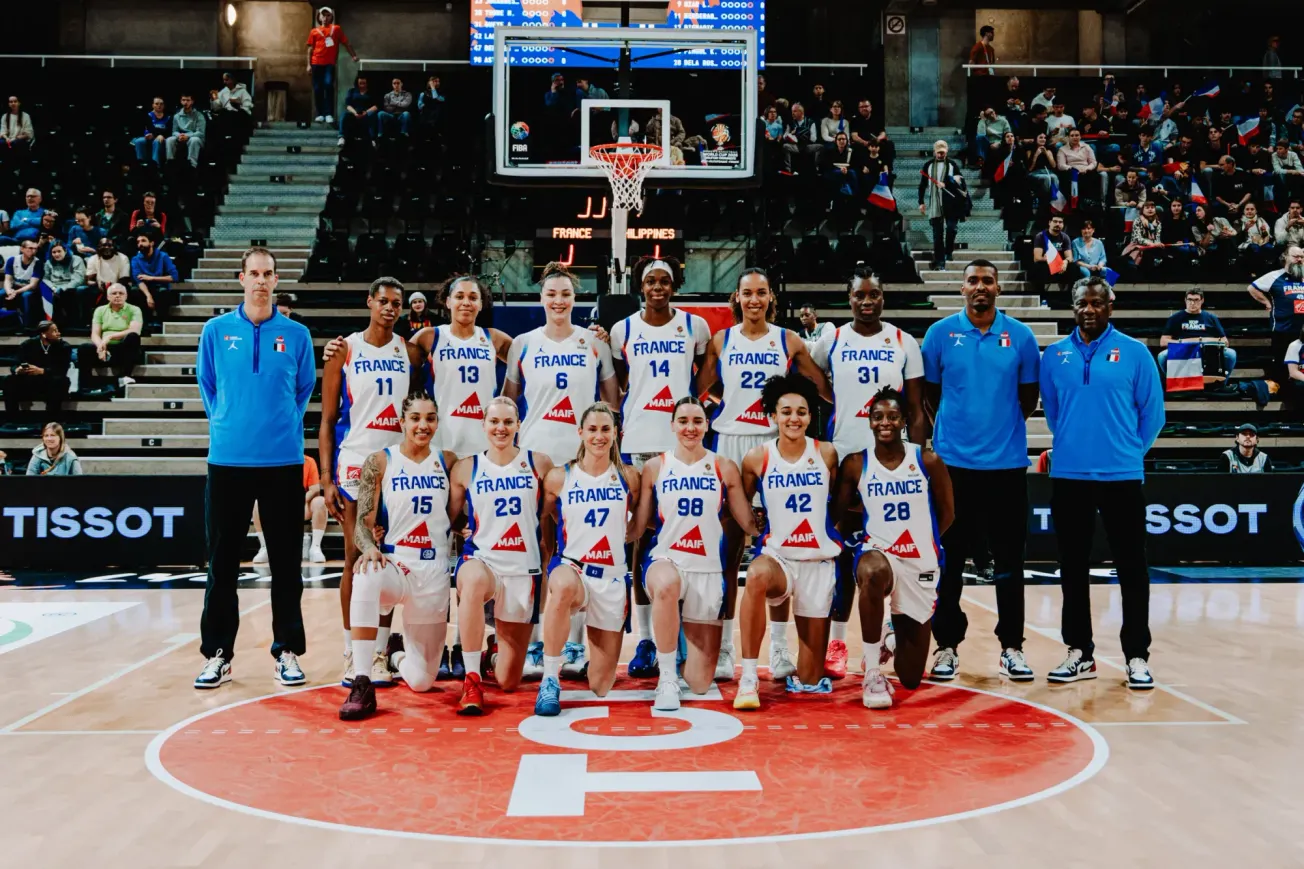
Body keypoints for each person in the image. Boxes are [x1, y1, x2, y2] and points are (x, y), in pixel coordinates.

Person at [193, 248, 317, 690]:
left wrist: (278, 424)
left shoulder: (297, 334)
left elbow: (303, 388)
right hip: (228, 460)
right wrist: (230, 421)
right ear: (241, 278)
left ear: (276, 280)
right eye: (254, 274)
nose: (261, 281)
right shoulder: (215, 330)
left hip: (283, 460)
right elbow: (208, 386)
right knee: (222, 563)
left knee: (286, 563)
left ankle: (287, 651)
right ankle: (218, 655)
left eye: (268, 274)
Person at [697, 269, 828, 681]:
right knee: (729, 551)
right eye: (747, 293)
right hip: (731, 443)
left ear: (771, 297)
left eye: (761, 293)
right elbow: (694, 387)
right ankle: (723, 648)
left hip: (774, 445)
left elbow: (822, 387)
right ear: (737, 297)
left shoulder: (788, 339)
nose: (754, 300)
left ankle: (778, 648)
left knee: (778, 551)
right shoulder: (722, 340)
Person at [1040, 277, 1164, 690]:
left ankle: (1137, 656)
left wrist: (1127, 451)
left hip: (1122, 477)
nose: (1088, 310)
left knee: (1132, 567)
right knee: (1072, 568)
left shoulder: (1135, 353)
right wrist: (1079, 448)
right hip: (1070, 476)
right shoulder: (1054, 355)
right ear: (1072, 307)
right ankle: (1079, 652)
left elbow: (1153, 415)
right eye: (1081, 304)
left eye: (1096, 303)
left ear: (1110, 306)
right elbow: (1055, 414)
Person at [921, 260, 1040, 682]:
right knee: (950, 563)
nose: (980, 288)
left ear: (998, 287)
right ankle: (947, 647)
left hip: (1006, 468)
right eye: (972, 281)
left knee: (1010, 562)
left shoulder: (1022, 338)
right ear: (962, 288)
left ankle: (1012, 648)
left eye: (987, 281)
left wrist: (996, 432)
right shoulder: (939, 335)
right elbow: (930, 397)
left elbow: (1028, 400)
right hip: (954, 469)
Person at [502, 263, 619, 676]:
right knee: (537, 548)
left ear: (575, 299)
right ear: (541, 298)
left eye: (565, 294)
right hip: (535, 458)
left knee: (579, 549)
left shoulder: (594, 344)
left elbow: (611, 406)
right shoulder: (523, 344)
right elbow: (508, 406)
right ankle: (536, 641)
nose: (558, 300)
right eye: (551, 293)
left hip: (580, 462)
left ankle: (573, 644)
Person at [809, 269, 927, 676]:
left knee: (891, 549)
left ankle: (890, 631)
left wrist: (919, 453)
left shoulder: (903, 341)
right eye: (860, 294)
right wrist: (833, 396)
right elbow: (809, 371)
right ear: (849, 298)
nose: (867, 301)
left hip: (892, 459)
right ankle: (839, 642)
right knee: (840, 551)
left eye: (874, 294)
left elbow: (915, 406)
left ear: (883, 297)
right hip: (846, 456)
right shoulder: (833, 339)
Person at [604, 256, 711, 678]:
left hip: (680, 447)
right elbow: (620, 380)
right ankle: (647, 638)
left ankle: (681, 634)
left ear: (674, 286)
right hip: (636, 446)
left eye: (665, 281)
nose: (658, 287)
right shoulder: (622, 330)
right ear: (640, 286)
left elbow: (705, 374)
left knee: (681, 538)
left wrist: (690, 405)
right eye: (651, 281)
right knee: (639, 544)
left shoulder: (695, 327)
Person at [319, 277, 426, 687]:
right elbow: (327, 420)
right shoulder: (343, 350)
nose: (389, 308)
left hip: (396, 465)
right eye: (383, 301)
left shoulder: (410, 352)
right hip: (354, 462)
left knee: (389, 560)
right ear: (369, 302)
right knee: (355, 556)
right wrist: (326, 478)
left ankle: (380, 649)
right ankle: (352, 650)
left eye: (396, 303)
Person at [621, 397, 758, 711]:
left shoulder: (724, 466)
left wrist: (775, 526)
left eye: (697, 421)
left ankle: (680, 647)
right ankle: (666, 677)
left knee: (698, 682)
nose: (690, 428)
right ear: (672, 426)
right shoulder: (655, 467)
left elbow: (747, 523)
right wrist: (603, 533)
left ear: (707, 425)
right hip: (665, 559)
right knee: (666, 584)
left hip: (707, 569)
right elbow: (639, 528)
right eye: (683, 421)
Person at [338, 394, 460, 720]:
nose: (423, 425)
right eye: (416, 418)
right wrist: (369, 547)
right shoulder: (380, 461)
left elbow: (461, 519)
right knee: (365, 573)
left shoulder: (449, 461)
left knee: (422, 682)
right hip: (396, 563)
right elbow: (362, 526)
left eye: (430, 418)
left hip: (433, 571)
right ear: (401, 422)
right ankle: (362, 680)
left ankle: (395, 657)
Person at [832, 387, 954, 709]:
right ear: (869, 422)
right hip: (879, 553)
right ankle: (872, 670)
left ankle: (890, 634)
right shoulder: (856, 464)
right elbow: (838, 513)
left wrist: (922, 541)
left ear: (904, 421)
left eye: (892, 416)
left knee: (911, 676)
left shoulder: (927, 459)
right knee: (871, 572)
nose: (885, 422)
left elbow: (947, 513)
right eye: (878, 417)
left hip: (921, 564)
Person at [445, 397, 556, 715]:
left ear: (519, 425)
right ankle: (471, 679)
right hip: (484, 560)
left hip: (524, 569)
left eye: (508, 422)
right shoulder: (467, 467)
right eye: (494, 422)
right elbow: (450, 518)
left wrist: (549, 559)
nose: (501, 428)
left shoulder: (540, 463)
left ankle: (492, 653)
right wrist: (462, 529)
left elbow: (548, 516)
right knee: (473, 578)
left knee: (509, 680)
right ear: (483, 425)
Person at [533, 403, 644, 715]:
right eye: (592, 429)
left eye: (605, 429)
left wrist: (626, 533)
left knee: (601, 685)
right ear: (580, 433)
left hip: (612, 577)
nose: (599, 436)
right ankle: (550, 678)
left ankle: (572, 652)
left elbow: (646, 521)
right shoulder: (559, 477)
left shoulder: (628, 477)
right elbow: (540, 517)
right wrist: (548, 552)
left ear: (615, 434)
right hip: (573, 568)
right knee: (563, 586)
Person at [733, 377, 838, 708]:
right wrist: (752, 523)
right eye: (787, 412)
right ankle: (749, 677)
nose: (794, 418)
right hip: (780, 560)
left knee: (809, 679)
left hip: (818, 563)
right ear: (773, 415)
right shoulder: (756, 457)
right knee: (757, 574)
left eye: (802, 412)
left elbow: (838, 503)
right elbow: (739, 503)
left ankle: (804, 665)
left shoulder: (827, 453)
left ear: (810, 416)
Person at [252, 455, 329, 564]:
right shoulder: (272, 460)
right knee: (257, 503)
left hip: (301, 505)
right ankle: (264, 547)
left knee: (320, 501)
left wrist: (298, 501)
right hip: (277, 505)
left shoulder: (308, 461)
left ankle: (315, 547)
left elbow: (315, 489)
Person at [1247, 244, 1304, 383]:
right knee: (1281, 361)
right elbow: (1252, 288)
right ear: (1286, 257)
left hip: (1303, 329)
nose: (1299, 259)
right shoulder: (1274, 276)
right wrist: (1266, 302)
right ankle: (1281, 389)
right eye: (1295, 256)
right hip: (1283, 327)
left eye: (1302, 257)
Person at [1157, 288, 1235, 380]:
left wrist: (1202, 341)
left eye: (1196, 300)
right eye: (1190, 300)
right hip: (1183, 349)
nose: (1192, 303)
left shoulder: (1211, 318)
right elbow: (1163, 341)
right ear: (1185, 300)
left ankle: (1221, 385)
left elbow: (1225, 342)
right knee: (1162, 356)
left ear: (1202, 301)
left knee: (1231, 354)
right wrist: (1189, 341)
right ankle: (1174, 384)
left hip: (1208, 350)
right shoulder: (1175, 318)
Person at [77, 283, 141, 392]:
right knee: (84, 348)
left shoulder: (134, 310)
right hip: (104, 349)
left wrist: (110, 337)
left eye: (121, 293)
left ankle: (125, 376)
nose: (117, 296)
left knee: (133, 337)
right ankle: (85, 385)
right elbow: (95, 334)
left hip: (123, 350)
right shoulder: (100, 310)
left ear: (126, 296)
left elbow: (135, 330)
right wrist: (101, 347)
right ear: (107, 297)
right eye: (114, 293)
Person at [917, 140, 968, 270]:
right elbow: (922, 185)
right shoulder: (928, 165)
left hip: (951, 202)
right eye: (938, 152)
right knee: (937, 234)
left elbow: (961, 183)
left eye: (943, 152)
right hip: (935, 202)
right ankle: (940, 262)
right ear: (934, 152)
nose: (941, 155)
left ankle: (948, 251)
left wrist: (947, 184)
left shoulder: (952, 165)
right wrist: (921, 202)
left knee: (952, 228)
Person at [3, 321, 72, 414]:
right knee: (9, 380)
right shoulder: (28, 345)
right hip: (30, 380)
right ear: (44, 334)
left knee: (60, 381)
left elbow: (62, 370)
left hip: (51, 380)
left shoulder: (64, 347)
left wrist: (42, 371)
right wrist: (17, 370)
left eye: (58, 330)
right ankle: (12, 419)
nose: (58, 333)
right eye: (54, 331)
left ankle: (52, 418)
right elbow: (15, 364)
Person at [307, 6, 358, 125]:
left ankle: (329, 113)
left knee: (328, 85)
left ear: (331, 17)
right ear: (319, 17)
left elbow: (346, 43)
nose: (325, 18)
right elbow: (310, 49)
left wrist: (353, 55)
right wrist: (308, 64)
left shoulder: (336, 29)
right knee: (318, 88)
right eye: (323, 15)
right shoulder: (314, 31)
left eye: (328, 15)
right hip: (316, 63)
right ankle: (320, 114)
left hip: (329, 63)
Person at [130, 232, 178, 327]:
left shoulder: (163, 256)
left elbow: (174, 277)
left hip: (159, 287)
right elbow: (139, 280)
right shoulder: (135, 259)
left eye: (143, 241)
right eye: (138, 242)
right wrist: (148, 296)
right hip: (144, 288)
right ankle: (143, 323)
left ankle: (160, 323)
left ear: (151, 243)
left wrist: (151, 278)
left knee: (163, 292)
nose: (140, 244)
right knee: (134, 291)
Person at [3, 239, 52, 328]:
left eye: (35, 249)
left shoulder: (38, 263)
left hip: (30, 289)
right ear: (22, 249)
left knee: (26, 296)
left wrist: (15, 292)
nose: (33, 251)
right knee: (1, 293)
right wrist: (9, 291)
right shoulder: (12, 260)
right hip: (14, 287)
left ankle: (26, 326)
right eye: (30, 248)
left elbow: (33, 285)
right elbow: (7, 280)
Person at [43, 243, 86, 326]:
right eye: (54, 252)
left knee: (74, 292)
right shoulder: (48, 262)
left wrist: (63, 288)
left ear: (65, 251)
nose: (56, 254)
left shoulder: (76, 259)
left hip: (72, 286)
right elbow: (45, 278)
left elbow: (79, 279)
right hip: (54, 287)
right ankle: (54, 325)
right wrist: (53, 287)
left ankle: (76, 323)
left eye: (59, 251)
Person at [1031, 214, 1074, 295]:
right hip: (1046, 265)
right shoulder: (1040, 236)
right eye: (1055, 221)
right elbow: (1037, 258)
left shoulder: (1065, 237)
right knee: (1037, 268)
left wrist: (1065, 261)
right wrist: (1050, 260)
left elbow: (1070, 257)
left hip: (1061, 266)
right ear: (1049, 222)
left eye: (1060, 222)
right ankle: (1041, 296)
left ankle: (1068, 297)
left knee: (1074, 268)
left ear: (1063, 225)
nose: (1058, 224)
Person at [166, 93, 206, 169]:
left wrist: (187, 136)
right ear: (181, 101)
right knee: (169, 139)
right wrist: (179, 136)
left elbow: (200, 133)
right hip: (181, 137)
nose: (185, 102)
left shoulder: (199, 115)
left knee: (194, 140)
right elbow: (174, 131)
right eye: (183, 100)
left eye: (188, 100)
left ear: (192, 101)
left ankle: (192, 165)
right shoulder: (176, 116)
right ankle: (170, 164)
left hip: (195, 138)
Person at [339, 76, 379, 146]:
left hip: (367, 113)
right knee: (344, 114)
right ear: (357, 83)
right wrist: (355, 113)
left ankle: (373, 139)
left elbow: (376, 106)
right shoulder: (352, 91)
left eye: (364, 83)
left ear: (367, 83)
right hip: (354, 112)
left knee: (373, 115)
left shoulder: (372, 92)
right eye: (360, 83)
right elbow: (348, 105)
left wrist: (366, 113)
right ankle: (342, 137)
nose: (362, 85)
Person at [132, 97, 171, 165]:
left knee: (157, 141)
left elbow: (169, 130)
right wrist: (149, 135)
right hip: (148, 136)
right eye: (157, 104)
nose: (159, 106)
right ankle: (141, 164)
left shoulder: (168, 117)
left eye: (161, 104)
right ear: (153, 105)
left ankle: (155, 165)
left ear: (164, 106)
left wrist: (160, 135)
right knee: (138, 141)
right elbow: (147, 128)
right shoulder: (147, 116)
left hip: (162, 137)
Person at [0, 95, 35, 164]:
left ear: (19, 103)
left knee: (16, 143)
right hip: (8, 139)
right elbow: (2, 130)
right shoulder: (5, 116)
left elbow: (29, 132)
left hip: (20, 140)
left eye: (15, 101)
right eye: (11, 102)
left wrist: (17, 138)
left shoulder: (25, 116)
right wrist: (6, 138)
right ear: (8, 104)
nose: (13, 103)